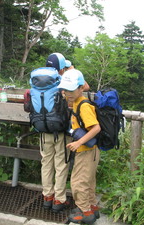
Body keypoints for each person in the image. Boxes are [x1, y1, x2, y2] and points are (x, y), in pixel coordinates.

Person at [57, 69, 101, 224]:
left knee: (78, 182)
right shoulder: (75, 101)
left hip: (86, 151)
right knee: (88, 181)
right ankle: (92, 207)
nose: (67, 93)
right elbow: (67, 95)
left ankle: (85, 212)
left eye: (71, 90)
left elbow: (96, 128)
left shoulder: (83, 106)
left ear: (81, 88)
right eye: (64, 90)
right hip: (90, 151)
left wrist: (78, 142)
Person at [40, 52, 70, 212]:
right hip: (60, 131)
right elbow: (84, 87)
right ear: (61, 68)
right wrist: (70, 69)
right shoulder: (62, 81)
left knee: (46, 163)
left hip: (44, 130)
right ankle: (59, 200)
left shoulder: (38, 80)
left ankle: (47, 196)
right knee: (61, 164)